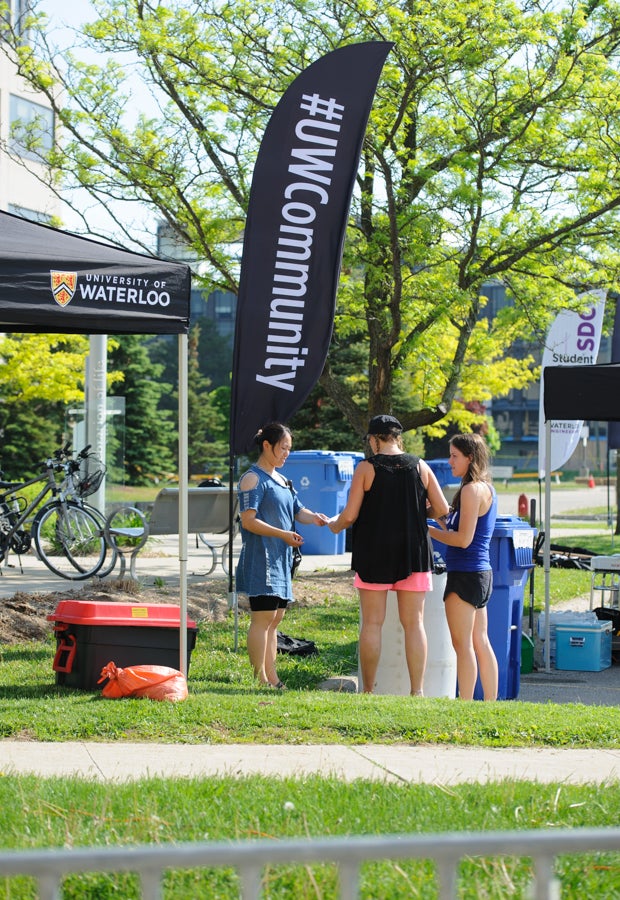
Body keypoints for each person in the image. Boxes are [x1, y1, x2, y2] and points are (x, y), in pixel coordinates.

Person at [328, 414, 449, 695]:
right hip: (413, 552)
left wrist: (334, 526)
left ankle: (368, 690)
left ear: (374, 440)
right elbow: (442, 508)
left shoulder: (366, 469)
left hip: (374, 553)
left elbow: (349, 515)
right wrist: (418, 511)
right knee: (414, 624)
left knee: (372, 623)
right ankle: (416, 691)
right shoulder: (421, 466)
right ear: (398, 437)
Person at [236, 422, 329, 689]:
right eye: (283, 448)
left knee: (275, 620)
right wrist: (283, 535)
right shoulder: (252, 479)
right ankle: (260, 679)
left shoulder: (282, 479)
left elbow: (298, 511)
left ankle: (273, 678)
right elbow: (248, 521)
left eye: (289, 449)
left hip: (281, 559)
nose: (287, 453)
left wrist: (316, 518)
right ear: (267, 446)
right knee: (262, 618)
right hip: (261, 559)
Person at [427, 432, 499, 701]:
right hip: (482, 574)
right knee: (480, 641)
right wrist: (443, 518)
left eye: (455, 456)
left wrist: (427, 530)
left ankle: (466, 703)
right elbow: (461, 528)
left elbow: (462, 540)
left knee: (463, 644)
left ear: (470, 458)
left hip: (466, 574)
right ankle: (491, 703)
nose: (449, 461)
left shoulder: (470, 490)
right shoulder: (485, 488)